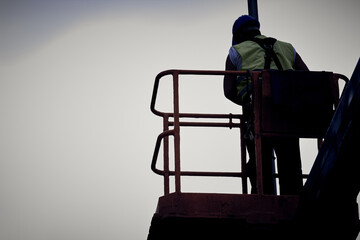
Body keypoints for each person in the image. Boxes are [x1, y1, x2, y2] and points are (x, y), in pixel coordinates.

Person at [223, 15, 309, 195]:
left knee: (259, 160)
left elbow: (229, 90)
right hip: (288, 111)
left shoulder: (236, 51)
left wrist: (247, 102)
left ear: (238, 35)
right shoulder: (287, 48)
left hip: (257, 111)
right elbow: (306, 77)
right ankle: (293, 198)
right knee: (290, 160)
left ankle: (263, 196)